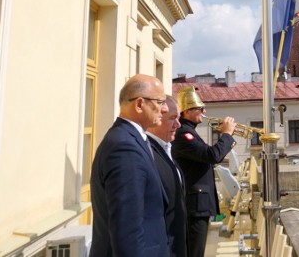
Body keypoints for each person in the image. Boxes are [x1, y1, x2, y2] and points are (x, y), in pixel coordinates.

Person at [90, 74, 170, 257]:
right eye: (160, 101)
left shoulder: (131, 139)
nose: (164, 109)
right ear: (140, 104)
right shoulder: (124, 148)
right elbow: (127, 232)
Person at [172, 86, 236, 257]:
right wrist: (227, 135)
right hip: (195, 206)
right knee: (194, 251)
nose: (204, 111)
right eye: (200, 108)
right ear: (187, 111)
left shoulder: (189, 132)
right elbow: (212, 155)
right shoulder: (184, 134)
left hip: (198, 204)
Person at [148, 96, 188, 257]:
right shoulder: (147, 153)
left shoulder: (165, 148)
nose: (178, 124)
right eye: (173, 118)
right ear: (156, 117)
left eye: (178, 118)